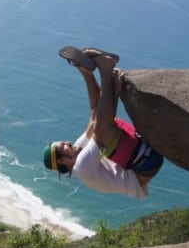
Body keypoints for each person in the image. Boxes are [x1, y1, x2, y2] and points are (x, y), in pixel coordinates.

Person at [42, 46, 164, 199]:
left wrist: (88, 75)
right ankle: (106, 69)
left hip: (138, 157)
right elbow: (100, 131)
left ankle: (86, 71)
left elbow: (94, 116)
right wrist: (114, 92)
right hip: (144, 166)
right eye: (64, 146)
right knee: (101, 131)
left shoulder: (78, 152)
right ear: (61, 160)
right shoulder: (82, 167)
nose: (68, 142)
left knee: (96, 118)